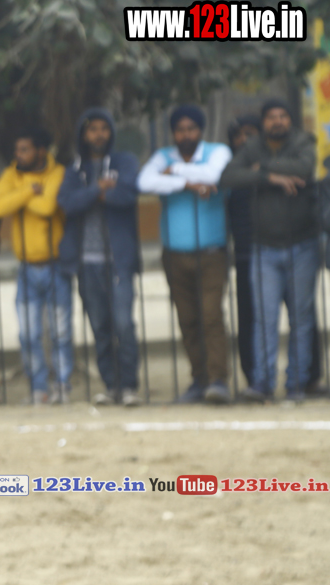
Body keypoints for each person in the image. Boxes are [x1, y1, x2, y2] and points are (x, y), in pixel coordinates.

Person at [219, 99, 319, 402]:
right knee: (264, 318)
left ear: (290, 120)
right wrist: (268, 177)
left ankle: (296, 383)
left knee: (301, 319)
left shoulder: (303, 142)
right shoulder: (253, 147)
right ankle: (262, 382)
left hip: (302, 244)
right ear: (263, 123)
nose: (278, 121)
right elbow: (228, 176)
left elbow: (304, 168)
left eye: (283, 116)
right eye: (272, 117)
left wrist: (260, 168)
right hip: (263, 248)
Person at [137, 105, 233, 404]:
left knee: (211, 316)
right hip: (175, 254)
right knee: (188, 319)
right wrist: (188, 184)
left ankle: (218, 380)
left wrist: (175, 172)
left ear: (200, 130)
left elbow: (213, 174)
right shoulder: (162, 156)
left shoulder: (217, 152)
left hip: (212, 252)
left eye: (191, 128)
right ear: (173, 133)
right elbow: (144, 181)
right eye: (180, 130)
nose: (186, 134)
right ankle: (198, 379)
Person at [60, 108, 143, 407]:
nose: (98, 134)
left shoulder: (125, 162)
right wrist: (98, 189)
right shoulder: (75, 170)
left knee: (124, 324)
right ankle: (111, 385)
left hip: (118, 259)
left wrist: (97, 195)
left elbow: (128, 194)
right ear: (83, 135)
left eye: (103, 128)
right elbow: (67, 203)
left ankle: (129, 385)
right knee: (100, 327)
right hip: (86, 261)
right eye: (92, 129)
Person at [0, 127, 70, 405]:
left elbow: (48, 207)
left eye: (24, 150)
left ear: (40, 151)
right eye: (17, 150)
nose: (19, 155)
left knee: (61, 332)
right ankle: (39, 389)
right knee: (28, 334)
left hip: (56, 266)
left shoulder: (57, 172)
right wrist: (29, 190)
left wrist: (20, 198)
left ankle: (62, 385)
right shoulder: (12, 174)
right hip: (25, 267)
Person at [226, 115, 261, 389]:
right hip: (245, 253)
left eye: (250, 133)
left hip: (281, 247)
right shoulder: (229, 171)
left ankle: (306, 378)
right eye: (238, 135)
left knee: (299, 315)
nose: (243, 140)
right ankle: (252, 376)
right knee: (247, 317)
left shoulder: (275, 161)